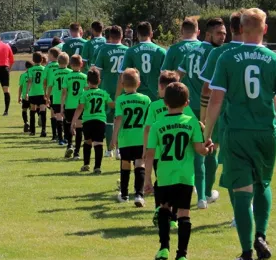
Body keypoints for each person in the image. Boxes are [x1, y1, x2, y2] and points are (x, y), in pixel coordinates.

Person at [203, 8, 276, 260]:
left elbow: (215, 100)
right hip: (265, 132)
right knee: (263, 184)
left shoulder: (227, 58)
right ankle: (261, 235)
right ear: (265, 29)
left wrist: (207, 133)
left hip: (236, 131)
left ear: (241, 28)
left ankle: (247, 252)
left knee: (242, 190)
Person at [144, 82, 209, 260]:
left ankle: (164, 247)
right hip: (185, 177)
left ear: (165, 103)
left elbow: (150, 154)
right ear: (187, 103)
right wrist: (208, 149)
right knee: (183, 214)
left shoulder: (157, 125)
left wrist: (147, 178)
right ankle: (182, 255)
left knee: (164, 210)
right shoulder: (192, 123)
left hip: (164, 175)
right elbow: (199, 150)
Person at [198, 11, 246, 215]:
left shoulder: (218, 53)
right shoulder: (262, 52)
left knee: (214, 151)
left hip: (221, 115)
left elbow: (206, 88)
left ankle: (206, 193)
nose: (222, 36)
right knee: (244, 164)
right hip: (250, 118)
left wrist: (203, 116)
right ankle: (246, 211)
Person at [178, 18, 226, 209]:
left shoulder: (190, 51)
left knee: (197, 151)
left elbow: (178, 75)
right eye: (219, 33)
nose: (223, 37)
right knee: (210, 149)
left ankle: (200, 194)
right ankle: (205, 193)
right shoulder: (216, 54)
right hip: (208, 107)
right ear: (208, 34)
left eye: (224, 33)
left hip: (190, 108)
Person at [143, 70, 197, 227]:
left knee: (161, 183)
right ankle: (172, 216)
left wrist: (146, 147)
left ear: (160, 86)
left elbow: (147, 128)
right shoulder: (181, 104)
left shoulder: (154, 106)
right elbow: (194, 122)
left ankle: (161, 212)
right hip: (175, 152)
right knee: (176, 183)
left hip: (158, 152)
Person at [111, 68, 151, 206]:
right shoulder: (145, 99)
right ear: (138, 83)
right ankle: (139, 195)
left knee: (125, 163)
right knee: (140, 163)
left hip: (125, 138)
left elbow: (118, 119)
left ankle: (124, 194)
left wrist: (113, 138)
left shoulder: (120, 100)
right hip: (141, 138)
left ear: (122, 84)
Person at [71, 67, 114, 174]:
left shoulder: (84, 94)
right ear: (99, 81)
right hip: (100, 121)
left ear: (87, 82)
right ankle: (97, 167)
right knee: (99, 143)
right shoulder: (103, 93)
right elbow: (112, 104)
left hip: (87, 121)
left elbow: (80, 108)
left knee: (87, 141)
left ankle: (86, 164)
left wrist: (73, 122)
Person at [94, 25, 128, 158]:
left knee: (109, 120)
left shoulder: (103, 50)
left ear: (109, 36)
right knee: (122, 119)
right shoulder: (127, 50)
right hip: (125, 89)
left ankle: (109, 150)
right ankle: (120, 150)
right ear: (122, 36)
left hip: (107, 89)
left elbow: (98, 72)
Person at [116, 22, 166, 101]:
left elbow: (122, 75)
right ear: (151, 34)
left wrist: (117, 97)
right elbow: (166, 77)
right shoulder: (161, 51)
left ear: (137, 35)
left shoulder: (130, 51)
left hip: (137, 98)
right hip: (156, 97)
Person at [61, 55, 87, 160]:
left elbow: (64, 93)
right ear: (81, 64)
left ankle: (69, 145)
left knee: (69, 125)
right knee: (79, 128)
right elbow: (86, 93)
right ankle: (77, 152)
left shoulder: (67, 76)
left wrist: (62, 107)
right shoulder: (85, 77)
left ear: (70, 65)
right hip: (80, 105)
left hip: (70, 105)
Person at [47, 52, 72, 145]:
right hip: (68, 99)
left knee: (58, 117)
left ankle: (60, 139)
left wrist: (47, 97)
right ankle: (66, 137)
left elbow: (50, 86)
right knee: (66, 118)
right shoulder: (70, 72)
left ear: (58, 61)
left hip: (57, 98)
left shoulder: (54, 73)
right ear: (68, 62)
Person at [26, 52, 47, 137]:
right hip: (42, 92)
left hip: (33, 93)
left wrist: (27, 92)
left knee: (32, 110)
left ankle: (32, 131)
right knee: (42, 111)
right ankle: (43, 130)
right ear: (42, 59)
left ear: (33, 60)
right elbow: (45, 81)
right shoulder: (44, 69)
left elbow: (30, 81)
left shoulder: (30, 69)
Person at [44, 47, 61, 141]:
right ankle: (61, 134)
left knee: (53, 113)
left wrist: (45, 92)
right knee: (61, 113)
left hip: (52, 92)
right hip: (60, 92)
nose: (47, 56)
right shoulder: (61, 65)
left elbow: (45, 80)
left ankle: (55, 135)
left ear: (52, 55)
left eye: (49, 54)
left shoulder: (48, 66)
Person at [18, 61, 34, 133]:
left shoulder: (23, 75)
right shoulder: (33, 75)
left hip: (25, 96)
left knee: (24, 110)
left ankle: (26, 123)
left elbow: (20, 87)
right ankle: (31, 125)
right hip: (32, 95)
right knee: (32, 110)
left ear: (25, 67)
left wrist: (19, 97)